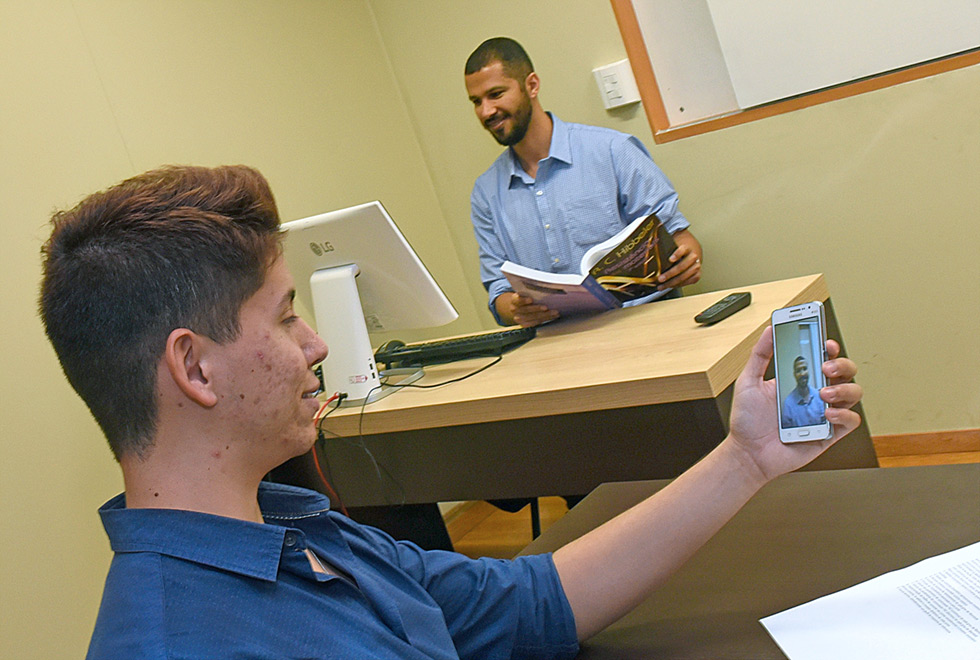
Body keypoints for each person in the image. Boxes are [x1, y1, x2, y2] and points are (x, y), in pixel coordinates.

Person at [39, 165, 863, 658]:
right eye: (287, 315)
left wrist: (746, 457)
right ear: (194, 367)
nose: (316, 346)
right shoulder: (173, 643)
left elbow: (534, 603)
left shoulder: (307, 533)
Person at [464, 37, 703, 327]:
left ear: (532, 85)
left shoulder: (613, 151)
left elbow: (680, 239)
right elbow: (498, 292)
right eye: (476, 102)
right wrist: (514, 308)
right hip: (556, 341)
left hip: (642, 322)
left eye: (496, 94)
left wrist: (687, 261)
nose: (486, 111)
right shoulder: (486, 192)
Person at [781, 355, 827, 427]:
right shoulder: (788, 404)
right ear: (794, 375)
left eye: (804, 369)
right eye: (798, 370)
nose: (802, 374)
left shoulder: (820, 396)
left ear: (808, 371)